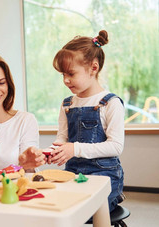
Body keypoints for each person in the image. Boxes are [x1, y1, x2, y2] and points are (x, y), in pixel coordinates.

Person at [49, 30, 125, 212]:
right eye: (62, 75)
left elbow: (115, 147)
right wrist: (53, 150)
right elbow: (63, 137)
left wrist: (74, 149)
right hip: (73, 173)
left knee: (81, 208)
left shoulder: (111, 103)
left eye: (71, 73)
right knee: (54, 205)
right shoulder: (67, 104)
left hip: (104, 176)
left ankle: (116, 195)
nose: (66, 80)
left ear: (93, 68)